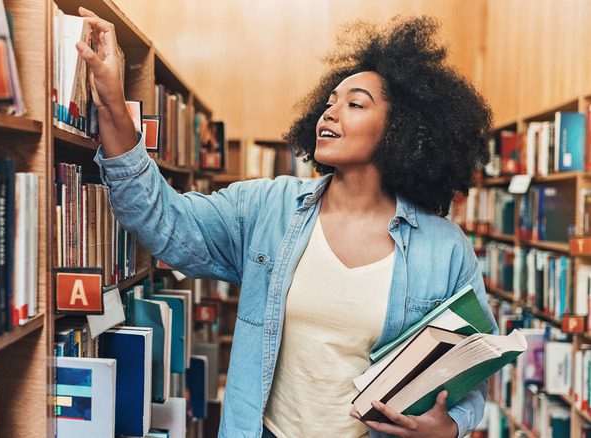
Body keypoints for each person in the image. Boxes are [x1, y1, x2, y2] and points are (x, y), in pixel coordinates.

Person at [76, 7, 496, 438]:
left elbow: (474, 367)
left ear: (400, 131)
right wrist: (112, 101)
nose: (330, 113)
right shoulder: (266, 207)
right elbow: (163, 222)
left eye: (354, 104)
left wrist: (450, 428)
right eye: (329, 103)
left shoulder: (445, 249)